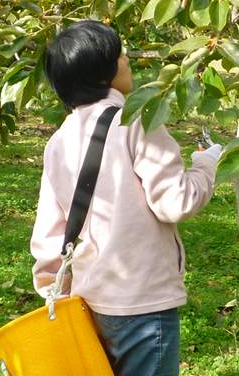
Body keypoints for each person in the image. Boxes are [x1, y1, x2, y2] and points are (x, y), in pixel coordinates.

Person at [30, 20, 222, 376]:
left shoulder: (59, 140)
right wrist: (207, 164)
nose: (128, 59)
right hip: (143, 304)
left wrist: (52, 287)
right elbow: (175, 202)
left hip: (89, 301)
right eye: (119, 55)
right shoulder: (137, 120)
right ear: (101, 72)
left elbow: (49, 233)